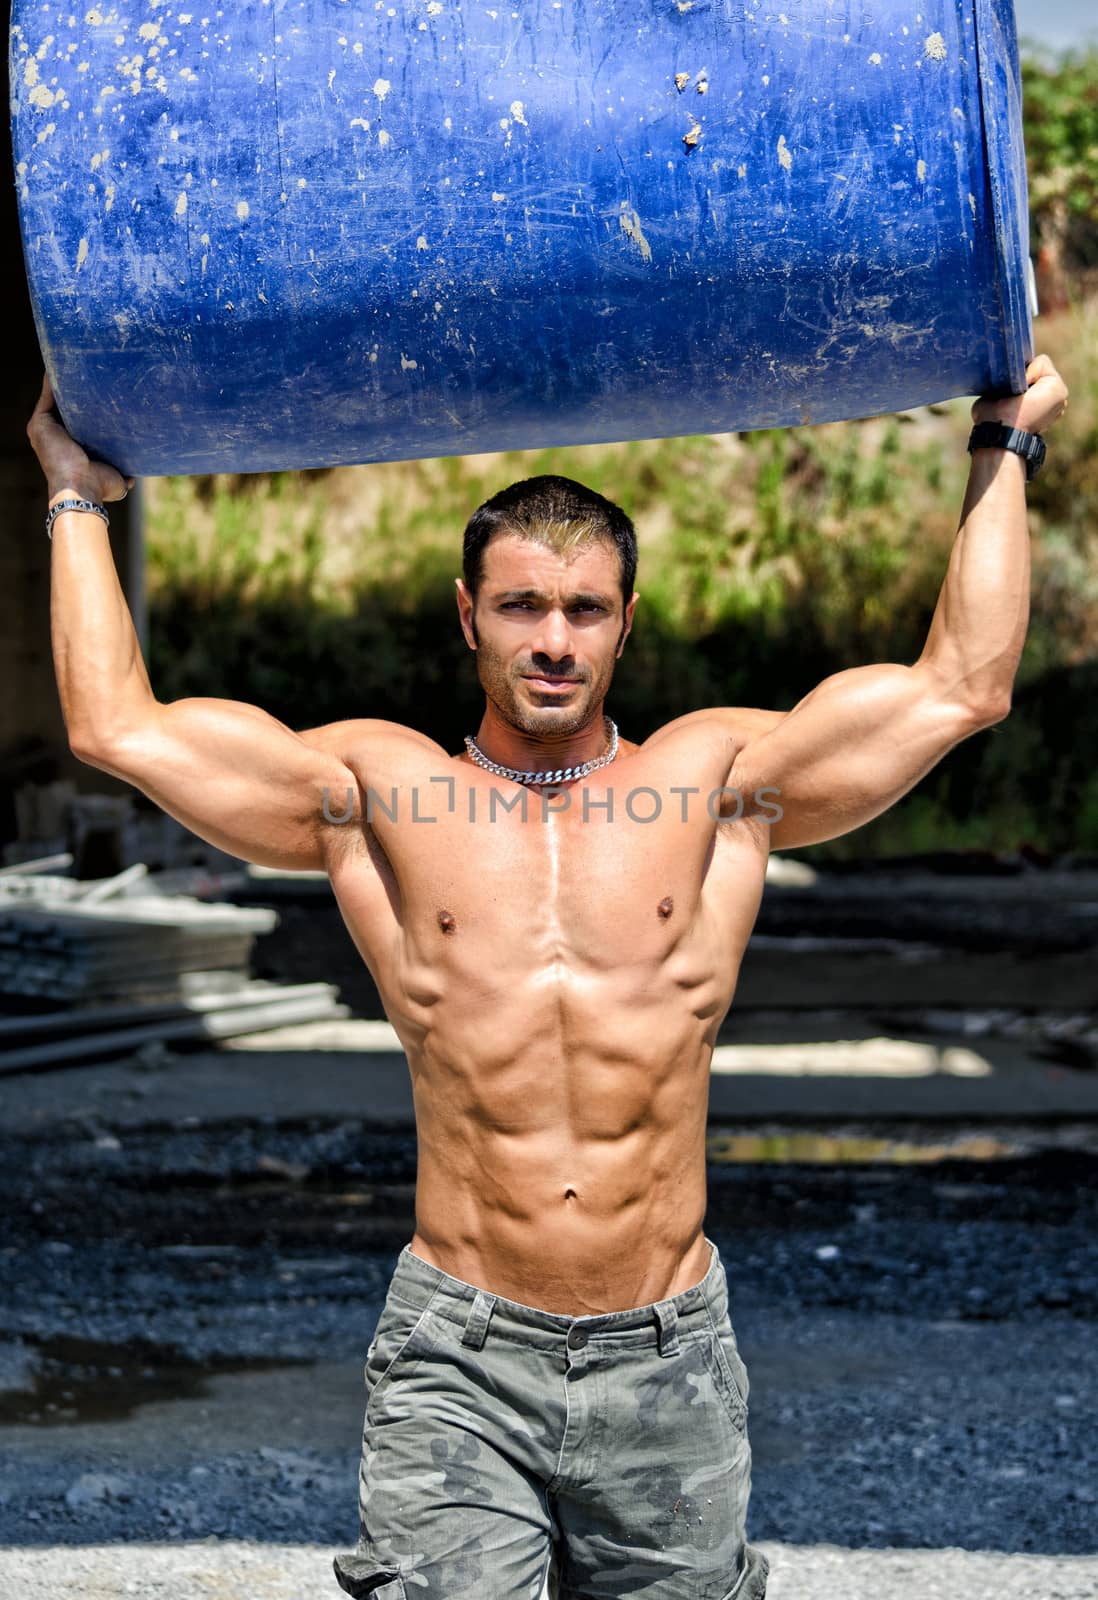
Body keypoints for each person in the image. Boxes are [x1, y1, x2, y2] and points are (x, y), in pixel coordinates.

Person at [29, 355, 1068, 1600]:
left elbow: (965, 685)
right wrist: (75, 496)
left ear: (627, 620)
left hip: (666, 1351)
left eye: (585, 609)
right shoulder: (379, 796)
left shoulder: (717, 785)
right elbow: (115, 727)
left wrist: (1005, 444)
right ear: (467, 615)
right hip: (459, 1351)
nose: (556, 641)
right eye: (523, 606)